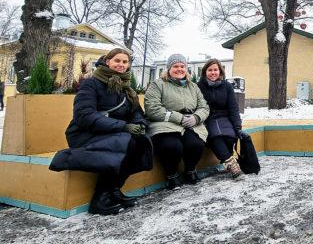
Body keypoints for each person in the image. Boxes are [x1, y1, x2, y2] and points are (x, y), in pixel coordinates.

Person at [50, 48, 153, 215]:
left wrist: (139, 124)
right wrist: (122, 126)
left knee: (141, 142)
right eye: (117, 61)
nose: (121, 65)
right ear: (107, 62)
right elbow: (84, 115)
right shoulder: (92, 83)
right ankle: (100, 199)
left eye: (125, 62)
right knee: (125, 143)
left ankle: (113, 189)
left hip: (114, 132)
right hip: (86, 133)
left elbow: (136, 112)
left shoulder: (126, 86)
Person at [144, 54, 209, 190]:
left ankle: (190, 171)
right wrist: (178, 118)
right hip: (165, 122)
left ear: (186, 68)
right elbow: (153, 109)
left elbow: (204, 107)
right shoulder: (158, 84)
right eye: (175, 66)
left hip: (190, 123)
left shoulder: (193, 87)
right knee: (172, 146)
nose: (179, 69)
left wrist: (196, 118)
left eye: (182, 66)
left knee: (195, 144)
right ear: (168, 68)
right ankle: (172, 175)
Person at [197, 58, 243, 179]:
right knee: (215, 137)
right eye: (210, 70)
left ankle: (227, 159)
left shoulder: (227, 86)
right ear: (205, 72)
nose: (213, 72)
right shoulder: (199, 87)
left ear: (220, 71)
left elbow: (233, 107)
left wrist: (237, 126)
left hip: (224, 118)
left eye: (215, 70)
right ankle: (232, 165)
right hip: (207, 118)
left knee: (229, 137)